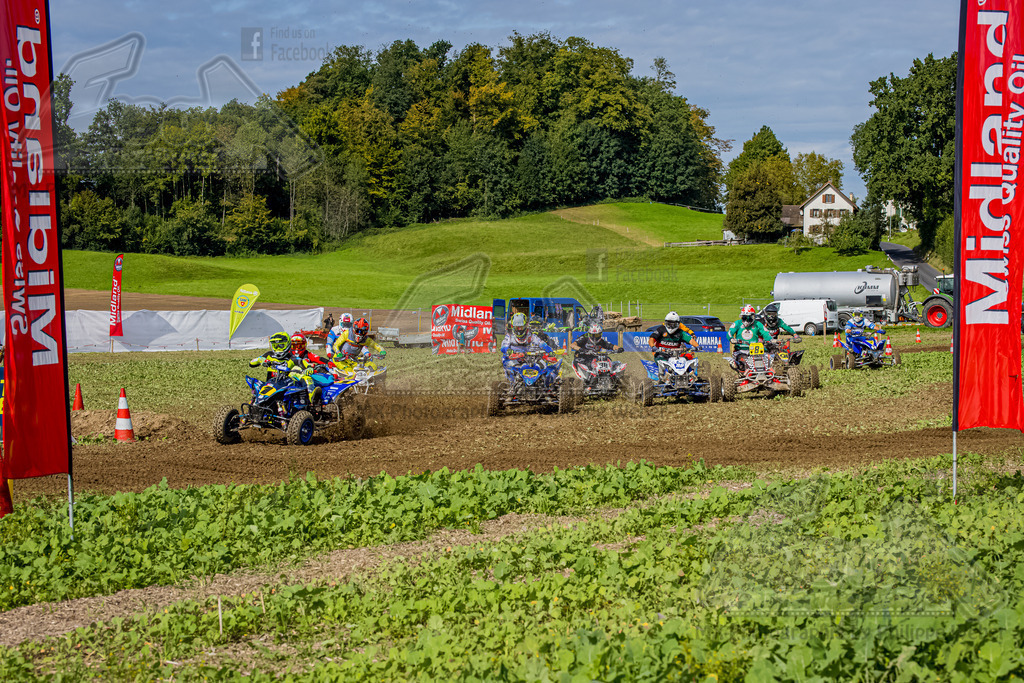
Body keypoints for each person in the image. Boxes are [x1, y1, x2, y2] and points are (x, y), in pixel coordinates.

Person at [501, 313, 556, 379]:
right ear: (513, 326)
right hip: (514, 358)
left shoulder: (531, 335)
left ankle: (542, 382)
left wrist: (549, 351)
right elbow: (503, 346)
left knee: (543, 366)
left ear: (526, 325)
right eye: (517, 327)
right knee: (508, 363)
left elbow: (541, 343)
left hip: (527, 358)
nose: (519, 329)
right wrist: (508, 350)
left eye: (521, 327)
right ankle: (512, 381)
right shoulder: (509, 335)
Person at [288, 333, 332, 406]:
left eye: (299, 346)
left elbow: (318, 358)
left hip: (307, 376)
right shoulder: (288, 355)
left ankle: (313, 397)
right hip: (292, 377)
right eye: (294, 346)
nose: (297, 349)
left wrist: (328, 362)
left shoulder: (307, 354)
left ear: (304, 345)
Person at [728, 304, 773, 372]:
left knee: (770, 359)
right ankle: (744, 374)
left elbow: (765, 333)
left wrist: (769, 339)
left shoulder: (757, 324)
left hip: (755, 350)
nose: (746, 320)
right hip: (740, 350)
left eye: (748, 318)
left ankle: (772, 373)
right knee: (743, 363)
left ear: (753, 316)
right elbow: (729, 332)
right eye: (744, 317)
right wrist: (731, 339)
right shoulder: (737, 323)